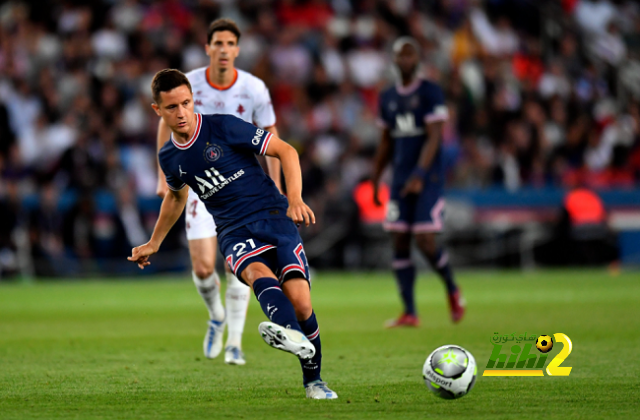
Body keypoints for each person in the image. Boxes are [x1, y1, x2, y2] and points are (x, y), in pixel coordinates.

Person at [130, 69, 338, 399]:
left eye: (186, 103)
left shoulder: (224, 126)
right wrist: (154, 242)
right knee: (255, 272)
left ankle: (313, 378)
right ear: (157, 110)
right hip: (232, 229)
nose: (182, 113)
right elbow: (176, 197)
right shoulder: (169, 157)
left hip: (273, 216)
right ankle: (289, 334)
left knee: (301, 303)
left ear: (192, 99)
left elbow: (287, 151)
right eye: (172, 107)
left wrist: (295, 199)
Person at [155, 18, 282, 365]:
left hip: (239, 184)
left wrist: (277, 188)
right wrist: (160, 175)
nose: (224, 50)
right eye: (218, 43)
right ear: (208, 47)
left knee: (236, 263)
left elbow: (271, 135)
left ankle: (235, 344)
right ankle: (216, 316)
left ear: (237, 49)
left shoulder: (254, 88)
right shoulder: (189, 83)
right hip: (198, 182)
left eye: (230, 44)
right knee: (201, 267)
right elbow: (165, 125)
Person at [372, 37, 465, 327]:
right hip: (399, 180)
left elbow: (435, 136)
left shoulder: (430, 92)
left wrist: (420, 175)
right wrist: (375, 178)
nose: (405, 60)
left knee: (425, 241)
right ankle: (410, 312)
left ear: (418, 59)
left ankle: (451, 288)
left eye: (410, 54)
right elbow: (386, 141)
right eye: (401, 55)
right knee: (399, 240)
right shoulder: (387, 97)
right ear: (394, 59)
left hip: (428, 179)